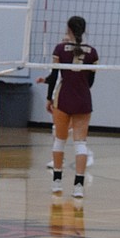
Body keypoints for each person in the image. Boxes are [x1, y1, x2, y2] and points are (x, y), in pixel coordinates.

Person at [42, 16, 98, 198]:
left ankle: (57, 182)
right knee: (81, 143)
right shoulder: (92, 53)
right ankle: (78, 186)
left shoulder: (60, 49)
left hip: (63, 97)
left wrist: (49, 98)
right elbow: (90, 82)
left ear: (69, 29)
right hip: (83, 99)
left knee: (60, 140)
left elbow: (54, 75)